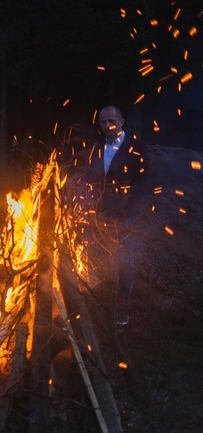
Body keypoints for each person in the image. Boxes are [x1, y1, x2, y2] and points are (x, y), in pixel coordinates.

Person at [81, 106, 149, 326]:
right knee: (95, 255)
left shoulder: (136, 147)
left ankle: (122, 308)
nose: (107, 125)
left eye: (111, 120)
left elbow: (144, 183)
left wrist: (129, 208)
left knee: (125, 260)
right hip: (101, 212)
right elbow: (90, 177)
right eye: (103, 122)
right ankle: (98, 301)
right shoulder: (98, 147)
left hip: (126, 214)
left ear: (121, 121)